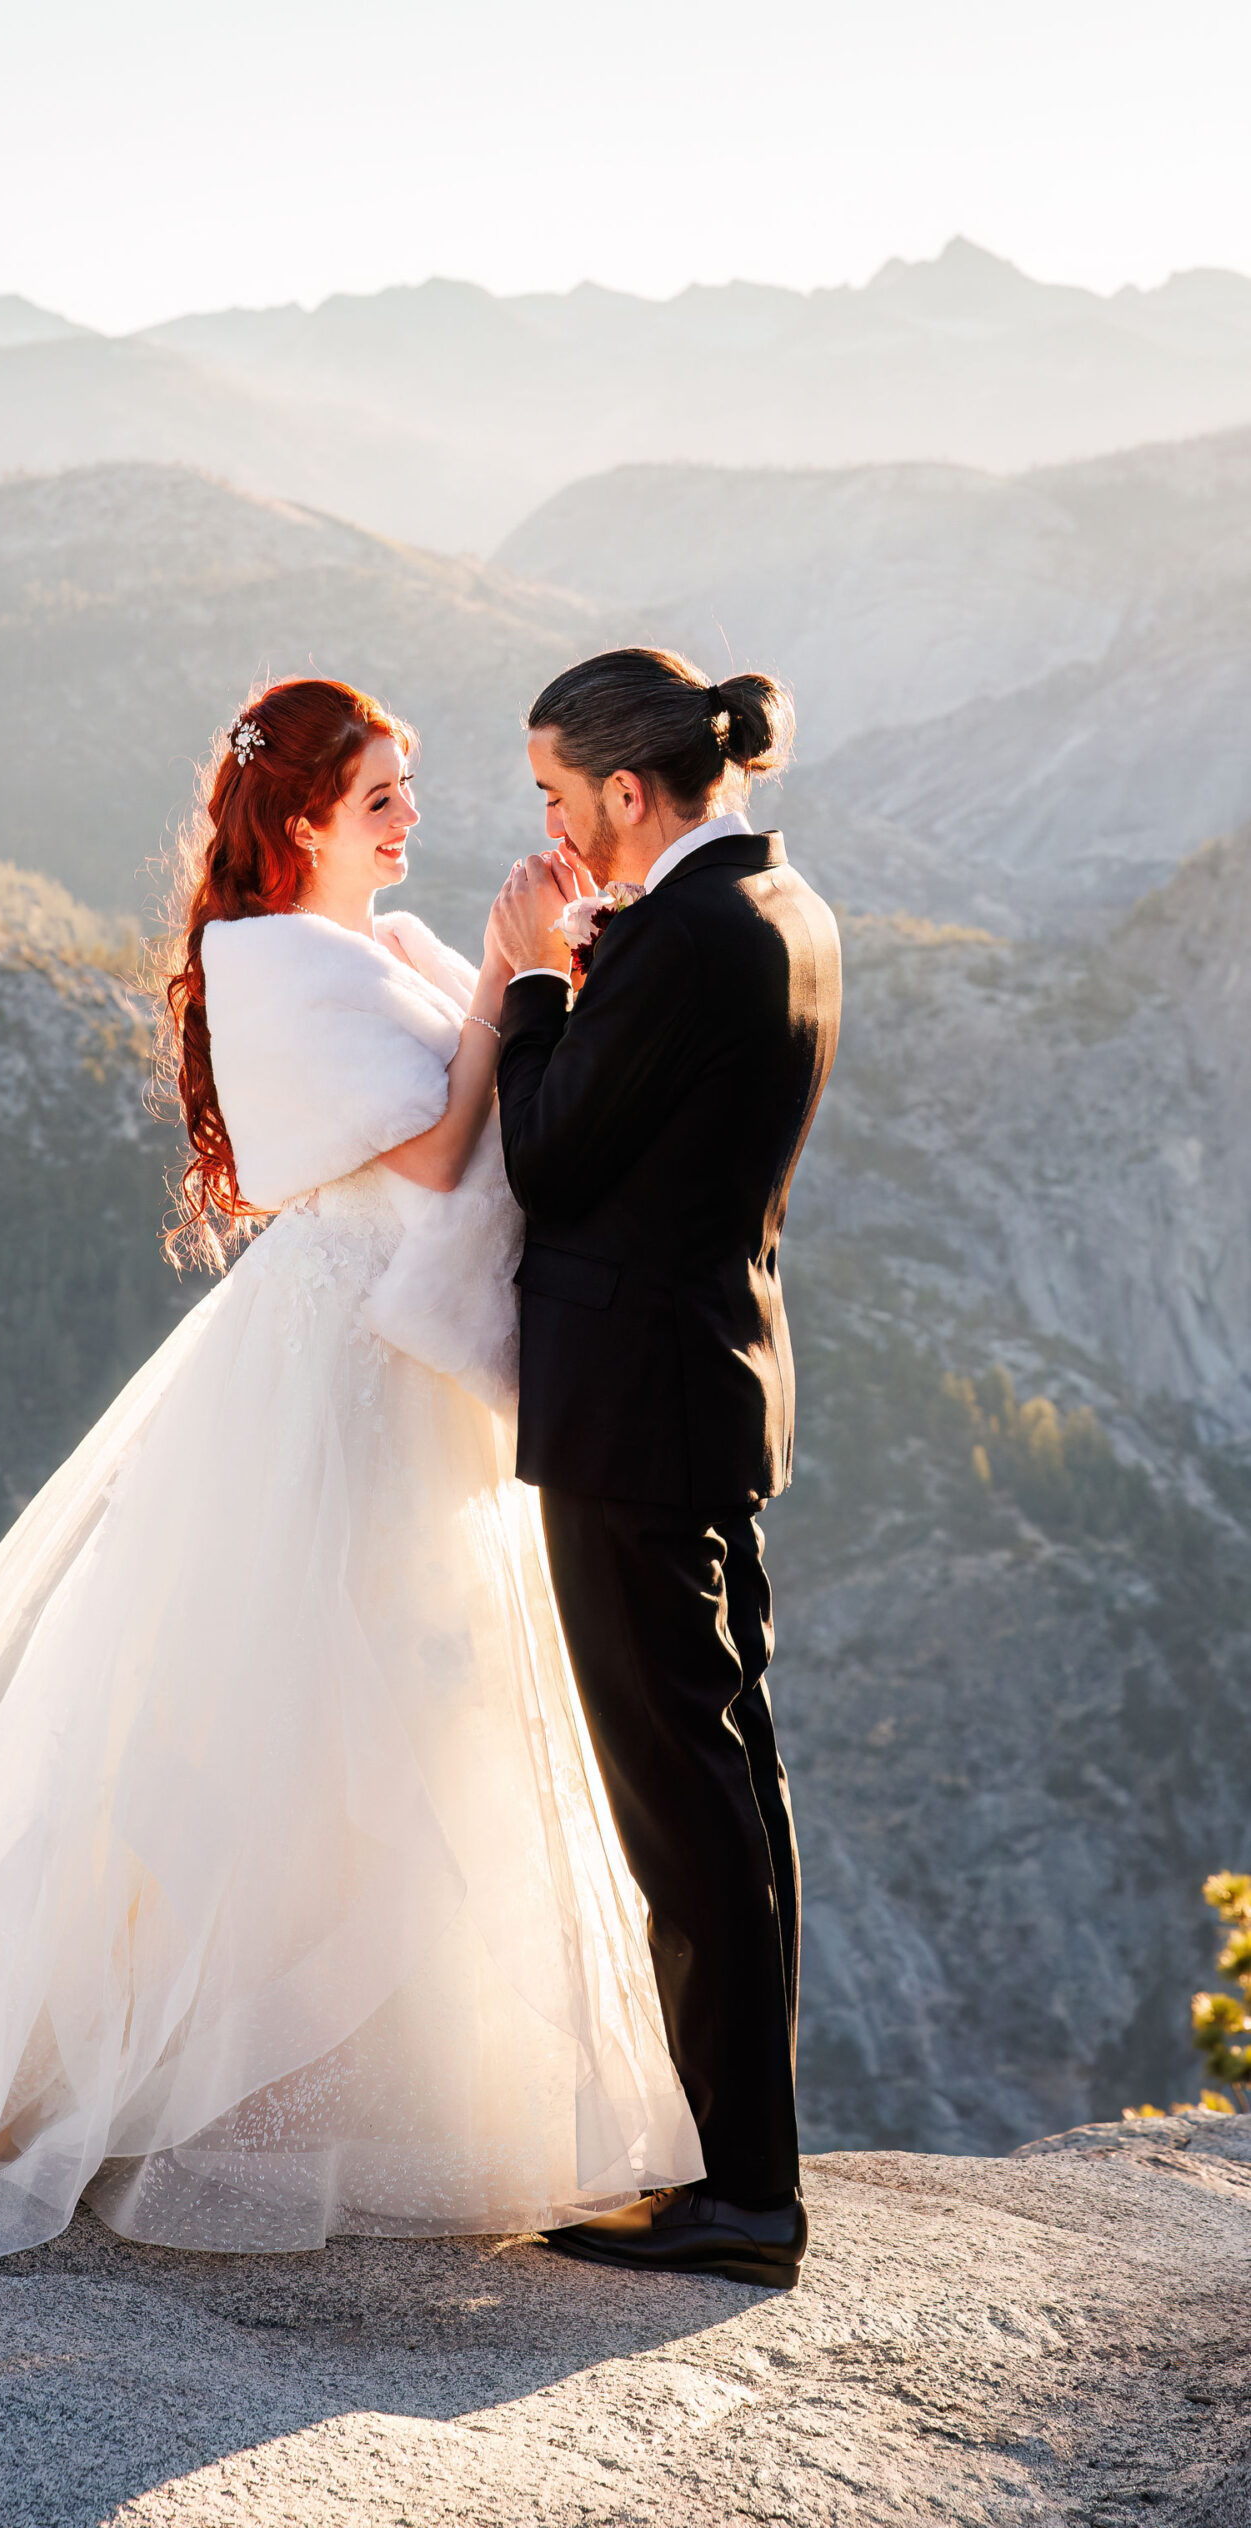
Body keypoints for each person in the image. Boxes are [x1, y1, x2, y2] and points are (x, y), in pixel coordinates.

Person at [0, 676, 699, 2329]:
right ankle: (202, 2098)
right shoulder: (276, 963)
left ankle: (374, 2104)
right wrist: (517, 977)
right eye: (384, 793)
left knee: (405, 1718)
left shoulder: (387, 941)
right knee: (300, 1718)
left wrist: (549, 965)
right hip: (340, 1387)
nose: (411, 814)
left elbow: (516, 1088)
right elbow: (439, 1157)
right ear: (302, 820)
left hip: (409, 1374)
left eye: (412, 786)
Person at [490, 646, 841, 2288]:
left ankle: (740, 2195)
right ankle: (740, 2165)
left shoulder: (683, 940)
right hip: (704, 1386)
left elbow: (555, 1154)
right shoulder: (777, 907)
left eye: (563, 799)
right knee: (725, 1783)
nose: (558, 830)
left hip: (632, 1410)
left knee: (679, 1803)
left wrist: (536, 982)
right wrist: (600, 959)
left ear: (628, 793)